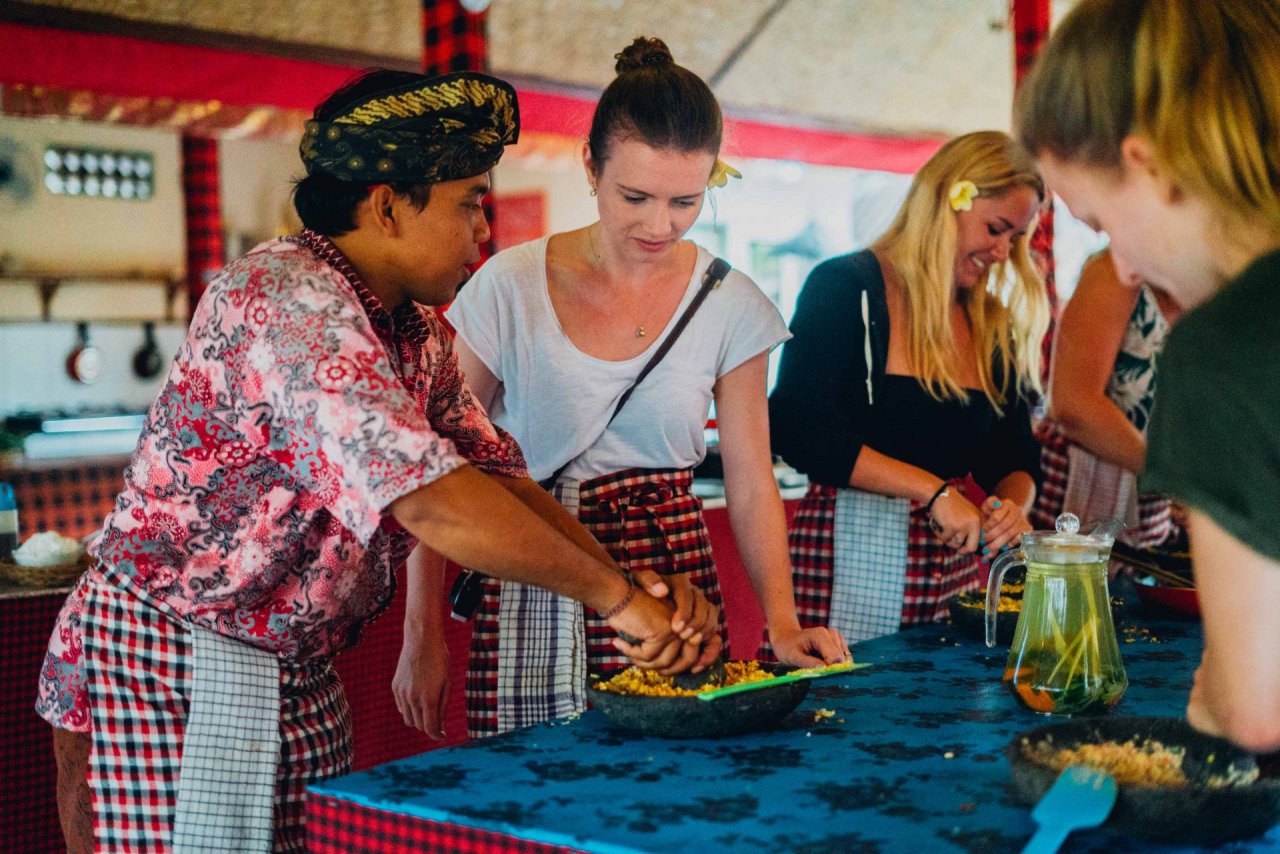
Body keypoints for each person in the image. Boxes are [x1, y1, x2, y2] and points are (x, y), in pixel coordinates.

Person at [34, 68, 716, 853]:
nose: (481, 232)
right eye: (468, 203)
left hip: (296, 669)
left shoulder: (412, 330)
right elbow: (427, 500)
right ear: (389, 204)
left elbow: (497, 479)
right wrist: (619, 602)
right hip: (177, 663)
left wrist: (632, 589)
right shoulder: (287, 297)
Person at [441, 36, 848, 738]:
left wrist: (782, 622)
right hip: (539, 558)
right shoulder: (508, 284)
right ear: (590, 167)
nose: (659, 225)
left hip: (672, 578)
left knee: (666, 782)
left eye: (685, 201)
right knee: (528, 784)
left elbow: (752, 479)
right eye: (635, 197)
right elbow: (441, 461)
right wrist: (422, 631)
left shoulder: (732, 302)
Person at [1015, 0, 1280, 752]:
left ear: (1149, 165)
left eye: (1099, 222)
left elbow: (1256, 711)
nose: (1123, 265)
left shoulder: (1227, 344)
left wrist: (1214, 700)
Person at [767, 130, 1049, 644]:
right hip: (844, 562)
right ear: (949, 199)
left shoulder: (991, 322)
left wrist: (1013, 509)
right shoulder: (845, 287)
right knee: (842, 711)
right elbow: (797, 427)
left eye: (1017, 239)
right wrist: (933, 491)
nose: (1004, 251)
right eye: (996, 228)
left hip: (952, 576)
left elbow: (1015, 455)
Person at [1030, 248, 1182, 549]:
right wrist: (1177, 481)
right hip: (1074, 494)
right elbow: (1075, 407)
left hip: (1150, 514)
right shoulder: (1116, 271)